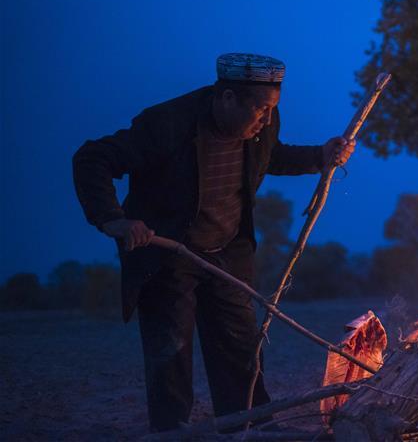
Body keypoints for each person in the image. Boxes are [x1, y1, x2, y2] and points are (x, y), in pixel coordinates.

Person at [72, 53, 354, 432]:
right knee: (170, 353)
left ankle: (251, 428)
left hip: (227, 252)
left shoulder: (260, 124)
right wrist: (114, 220)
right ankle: (172, 433)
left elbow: (270, 156)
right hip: (166, 254)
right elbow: (93, 158)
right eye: (260, 109)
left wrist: (320, 156)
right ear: (226, 99)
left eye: (272, 110)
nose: (267, 120)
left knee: (240, 350)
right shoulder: (166, 125)